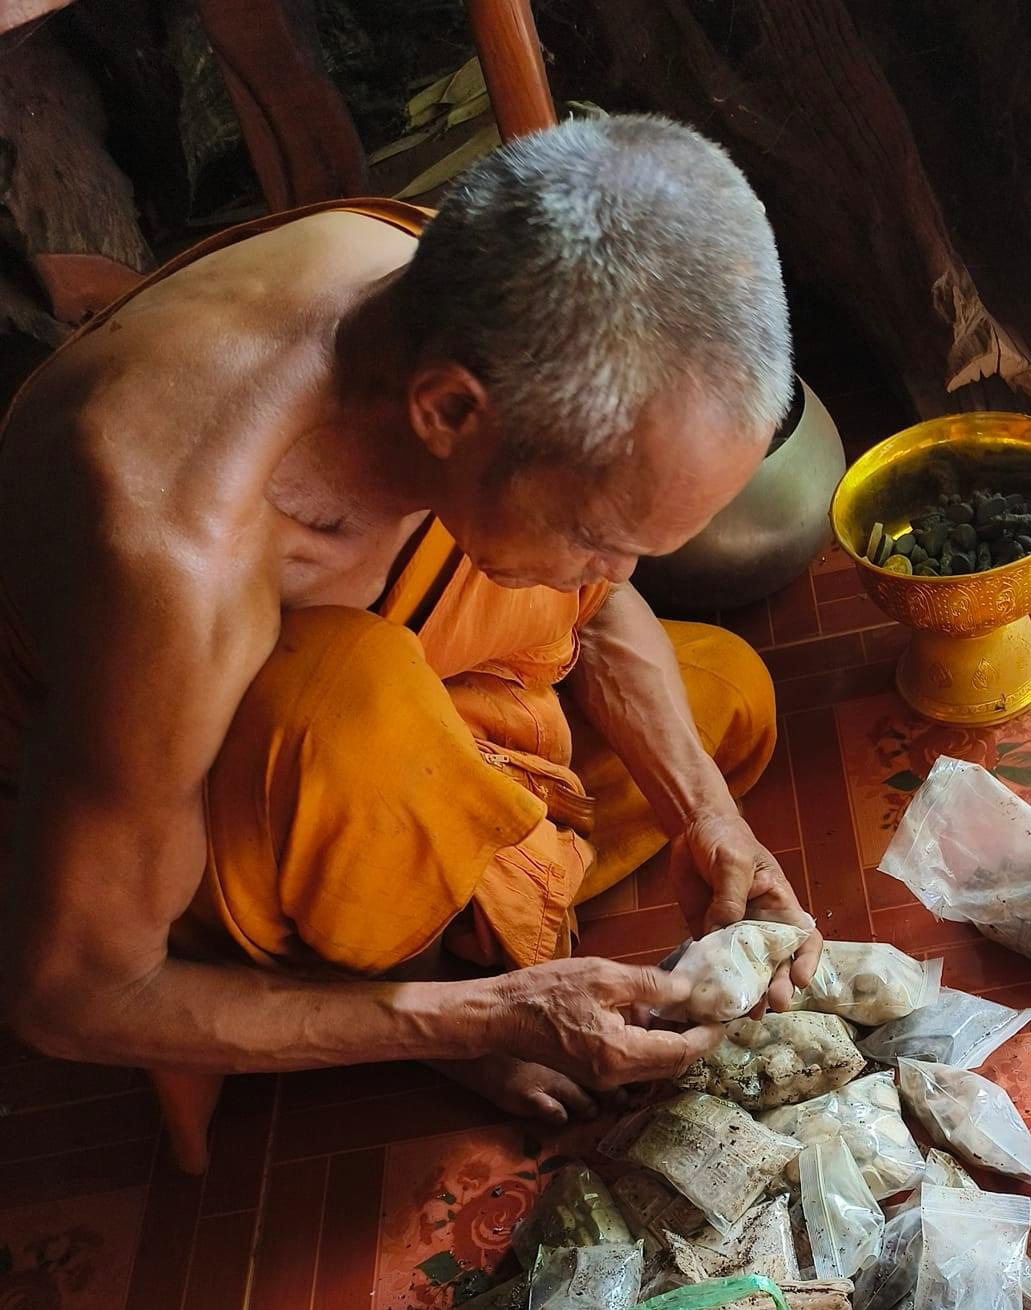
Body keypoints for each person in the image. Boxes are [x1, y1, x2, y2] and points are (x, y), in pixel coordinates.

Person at [0, 115, 820, 1166]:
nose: (617, 578)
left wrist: (708, 818)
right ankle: (426, 988)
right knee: (355, 703)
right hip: (191, 777)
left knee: (729, 698)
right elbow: (69, 991)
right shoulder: (174, 557)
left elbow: (590, 608)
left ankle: (463, 919)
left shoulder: (476, 288)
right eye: (598, 536)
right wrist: (484, 1020)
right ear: (447, 411)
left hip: (407, 705)